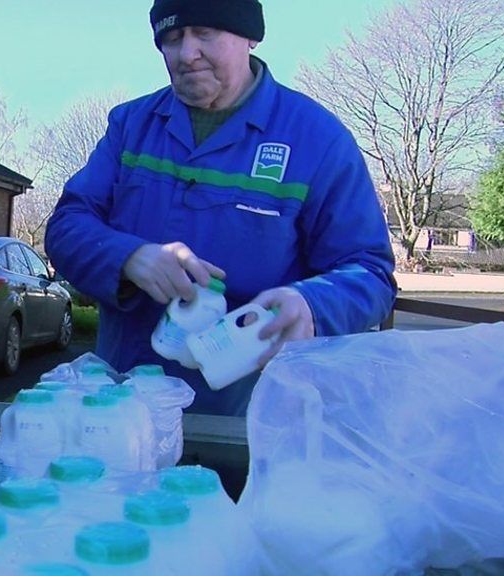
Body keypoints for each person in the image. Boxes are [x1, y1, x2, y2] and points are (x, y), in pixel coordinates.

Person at [44, 0, 396, 416]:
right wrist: (129, 258)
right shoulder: (132, 127)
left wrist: (312, 304)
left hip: (253, 419)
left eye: (205, 33)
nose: (186, 53)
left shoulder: (317, 140)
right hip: (123, 408)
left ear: (250, 37)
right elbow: (66, 225)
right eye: (172, 38)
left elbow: (370, 271)